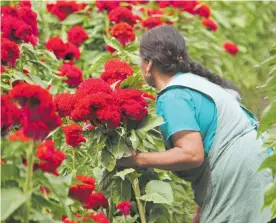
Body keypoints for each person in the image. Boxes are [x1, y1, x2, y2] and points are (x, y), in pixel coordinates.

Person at [117, 25, 273, 222]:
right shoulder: (194, 82)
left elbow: (191, 154)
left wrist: (136, 159)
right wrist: (203, 206)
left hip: (242, 176)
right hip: (259, 166)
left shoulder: (173, 95)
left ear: (148, 64)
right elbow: (213, 142)